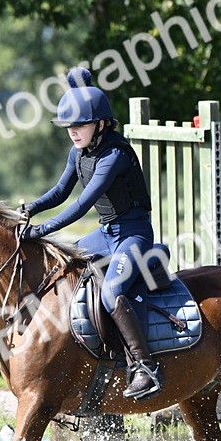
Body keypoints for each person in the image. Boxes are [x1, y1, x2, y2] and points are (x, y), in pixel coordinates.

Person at [19, 67, 164, 401]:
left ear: (100, 124)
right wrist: (30, 210)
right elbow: (60, 191)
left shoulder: (115, 155)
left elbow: (83, 203)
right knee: (61, 271)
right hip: (106, 232)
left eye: (79, 125)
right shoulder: (78, 153)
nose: (73, 132)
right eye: (69, 126)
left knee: (112, 291)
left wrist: (42, 230)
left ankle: (146, 368)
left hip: (134, 235)